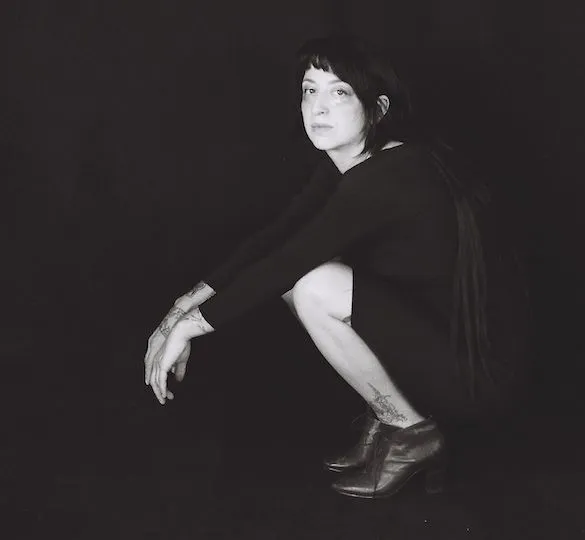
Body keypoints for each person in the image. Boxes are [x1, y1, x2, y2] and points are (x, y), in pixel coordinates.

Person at [143, 35, 531, 499]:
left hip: (475, 374)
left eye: (340, 92)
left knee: (311, 284)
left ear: (378, 108)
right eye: (310, 90)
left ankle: (409, 431)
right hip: (435, 342)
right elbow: (278, 236)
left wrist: (189, 328)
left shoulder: (391, 177)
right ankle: (389, 415)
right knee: (297, 281)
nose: (319, 107)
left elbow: (289, 260)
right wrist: (186, 303)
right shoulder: (352, 161)